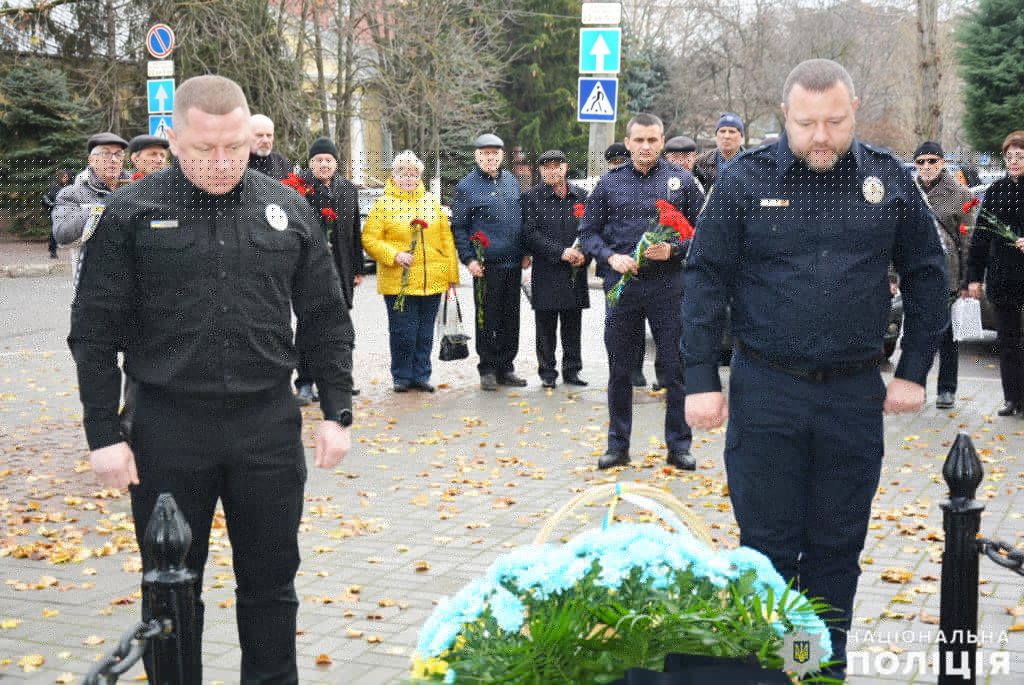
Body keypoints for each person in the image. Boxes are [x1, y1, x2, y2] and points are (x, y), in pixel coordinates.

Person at [67, 75, 354, 684]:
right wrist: (102, 433)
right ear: (173, 139)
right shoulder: (132, 212)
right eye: (205, 150)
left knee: (271, 586)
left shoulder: (286, 208)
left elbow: (326, 315)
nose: (222, 164)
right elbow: (94, 331)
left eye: (236, 147)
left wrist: (336, 409)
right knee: (171, 592)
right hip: (168, 429)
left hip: (266, 427)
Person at [683, 59, 947, 679]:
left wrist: (912, 369)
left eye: (835, 121)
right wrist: (699, 379)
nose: (821, 136)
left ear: (854, 110)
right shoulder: (744, 181)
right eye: (807, 124)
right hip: (766, 391)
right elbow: (705, 280)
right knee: (768, 548)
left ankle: (819, 668)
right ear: (785, 117)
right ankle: (773, 671)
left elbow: (928, 274)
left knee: (835, 548)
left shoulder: (888, 180)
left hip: (852, 395)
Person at [580, 113, 703, 471]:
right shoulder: (609, 183)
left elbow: (703, 235)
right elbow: (588, 233)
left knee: (675, 368)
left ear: (662, 141)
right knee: (620, 370)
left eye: (652, 140)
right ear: (629, 141)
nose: (646, 146)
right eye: (639, 140)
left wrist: (674, 250)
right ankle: (618, 445)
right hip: (624, 288)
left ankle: (679, 446)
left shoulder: (683, 182)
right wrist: (610, 257)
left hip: (668, 287)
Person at [362, 150, 459, 392]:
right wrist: (394, 255)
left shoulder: (431, 202)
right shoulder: (383, 204)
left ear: (420, 177)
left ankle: (421, 375)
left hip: (432, 280)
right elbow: (370, 239)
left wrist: (451, 276)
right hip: (399, 282)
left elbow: (446, 239)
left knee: (425, 333)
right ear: (394, 176)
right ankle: (402, 376)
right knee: (403, 332)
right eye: (403, 173)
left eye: (414, 174)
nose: (409, 178)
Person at [451, 133, 530, 391]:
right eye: (485, 153)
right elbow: (459, 228)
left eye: (494, 153)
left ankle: (506, 367)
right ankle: (487, 367)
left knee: (511, 318)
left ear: (501, 156)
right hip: (485, 265)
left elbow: (521, 220)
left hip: (513, 262)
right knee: (488, 318)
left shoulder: (511, 181)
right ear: (477, 156)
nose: (490, 158)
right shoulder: (466, 186)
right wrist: (469, 259)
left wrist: (526, 251)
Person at [293, 136, 364, 404]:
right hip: (310, 271)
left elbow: (354, 230)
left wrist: (358, 268)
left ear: (336, 163)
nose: (324, 165)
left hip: (342, 269)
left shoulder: (347, 189)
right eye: (318, 160)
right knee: (309, 327)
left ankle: (337, 381)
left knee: (339, 330)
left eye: (328, 160)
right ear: (311, 164)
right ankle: (306, 382)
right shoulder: (300, 189)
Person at [966, 131, 1024, 416]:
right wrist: (974, 277)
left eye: (1020, 156)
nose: (1014, 161)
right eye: (1010, 156)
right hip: (1003, 278)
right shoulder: (996, 191)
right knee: (1009, 342)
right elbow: (980, 237)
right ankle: (1012, 397)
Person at [521, 149, 590, 389]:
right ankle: (547, 372)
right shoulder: (531, 198)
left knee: (573, 325)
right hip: (547, 270)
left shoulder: (582, 196)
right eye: (546, 167)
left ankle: (572, 370)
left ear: (565, 167)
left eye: (556, 166)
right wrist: (559, 251)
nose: (552, 171)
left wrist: (585, 256)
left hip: (575, 271)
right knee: (546, 326)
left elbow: (590, 230)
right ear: (541, 170)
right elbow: (529, 234)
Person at [914, 140, 974, 410]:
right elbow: (896, 238)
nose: (926, 167)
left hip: (947, 275)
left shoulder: (960, 194)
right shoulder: (907, 191)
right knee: (917, 336)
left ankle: (947, 389)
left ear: (942, 163)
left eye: (932, 161)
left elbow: (968, 240)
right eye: (921, 162)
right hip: (916, 276)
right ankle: (914, 387)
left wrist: (967, 279)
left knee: (947, 337)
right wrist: (892, 276)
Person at [52, 132, 131, 286]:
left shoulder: (137, 190)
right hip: (93, 289)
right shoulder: (71, 194)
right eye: (106, 154)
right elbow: (62, 234)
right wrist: (99, 209)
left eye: (118, 154)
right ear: (92, 160)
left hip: (136, 290)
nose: (113, 159)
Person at [693, 112, 744, 191]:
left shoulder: (752, 163)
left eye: (732, 132)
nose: (726, 136)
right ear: (716, 135)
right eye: (722, 131)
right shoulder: (701, 162)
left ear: (741, 136)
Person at [248, 114, 292, 180]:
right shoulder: (237, 163)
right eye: (259, 135)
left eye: (269, 135)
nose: (265, 140)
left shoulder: (282, 163)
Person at [42, 168, 73, 259]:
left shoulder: (64, 186)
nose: (66, 179)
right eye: (64, 177)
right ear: (59, 177)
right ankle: (53, 250)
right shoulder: (54, 187)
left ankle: (54, 248)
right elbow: (51, 199)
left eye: (66, 177)